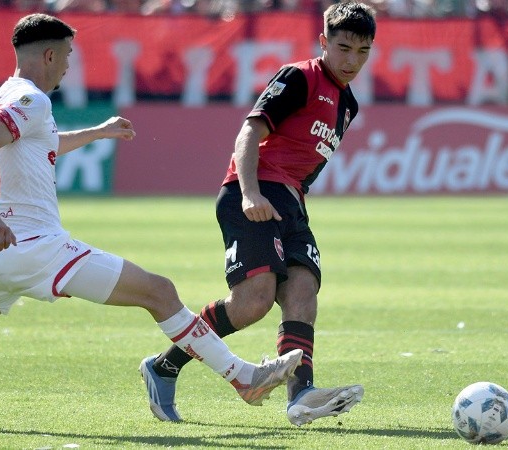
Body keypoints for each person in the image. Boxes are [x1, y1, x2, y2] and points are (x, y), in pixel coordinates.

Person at [0, 13, 303, 426]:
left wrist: (100, 132)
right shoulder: (32, 98)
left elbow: (40, 144)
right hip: (33, 245)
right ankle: (242, 377)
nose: (68, 65)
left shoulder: (12, 96)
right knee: (160, 291)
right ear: (48, 55)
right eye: (66, 56)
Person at [139, 1, 376, 427]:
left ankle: (301, 394)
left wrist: (291, 204)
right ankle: (163, 367)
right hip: (250, 191)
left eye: (362, 52)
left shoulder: (348, 104)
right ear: (324, 42)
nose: (351, 60)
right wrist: (249, 192)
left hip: (291, 203)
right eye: (343, 48)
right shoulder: (300, 77)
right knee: (253, 302)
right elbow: (250, 131)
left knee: (304, 290)